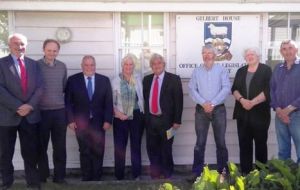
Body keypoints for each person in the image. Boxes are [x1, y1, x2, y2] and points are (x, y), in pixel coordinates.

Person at [0, 33, 43, 189]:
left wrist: (29, 106)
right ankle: (6, 182)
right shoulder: (1, 64)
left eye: (23, 44)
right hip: (7, 116)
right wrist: (18, 106)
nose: (20, 47)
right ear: (10, 45)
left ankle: (32, 182)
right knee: (6, 152)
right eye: (16, 44)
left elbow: (40, 87)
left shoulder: (34, 64)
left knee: (31, 152)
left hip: (30, 116)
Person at [65, 55, 113, 181]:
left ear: (95, 66)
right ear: (82, 66)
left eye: (92, 65)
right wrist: (70, 120)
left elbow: (108, 102)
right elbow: (68, 102)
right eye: (86, 65)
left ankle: (97, 177)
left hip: (99, 122)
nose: (89, 67)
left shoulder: (104, 80)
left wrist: (108, 120)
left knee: (98, 150)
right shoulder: (73, 80)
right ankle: (86, 177)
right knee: (84, 150)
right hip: (80, 123)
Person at [188, 44, 230, 181]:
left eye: (209, 53)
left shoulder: (221, 70)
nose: (206, 55)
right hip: (201, 110)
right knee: (199, 143)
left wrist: (212, 103)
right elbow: (192, 89)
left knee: (221, 143)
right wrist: (204, 103)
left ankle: (222, 173)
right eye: (204, 53)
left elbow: (226, 88)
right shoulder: (197, 71)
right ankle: (197, 173)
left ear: (214, 55)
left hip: (218, 110)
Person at [232, 47, 272, 174]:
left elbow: (268, 90)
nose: (250, 56)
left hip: (260, 114)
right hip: (242, 114)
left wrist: (252, 103)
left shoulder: (266, 70)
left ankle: (261, 174)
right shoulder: (241, 71)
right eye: (247, 54)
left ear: (258, 56)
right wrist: (243, 100)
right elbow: (234, 89)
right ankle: (246, 173)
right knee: (244, 145)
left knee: (260, 145)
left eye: (252, 54)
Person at [143, 53, 183, 179]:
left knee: (166, 148)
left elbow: (179, 101)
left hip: (168, 122)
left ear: (164, 64)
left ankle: (167, 173)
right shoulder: (147, 79)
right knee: (152, 148)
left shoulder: (174, 79)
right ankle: (155, 173)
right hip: (151, 120)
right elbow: (145, 99)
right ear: (151, 66)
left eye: (159, 63)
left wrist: (177, 120)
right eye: (154, 64)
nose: (157, 66)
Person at [37, 39, 67, 183]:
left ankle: (59, 177)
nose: (52, 53)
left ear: (58, 51)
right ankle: (43, 176)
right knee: (42, 146)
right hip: (41, 112)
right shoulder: (36, 66)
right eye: (49, 50)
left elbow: (63, 88)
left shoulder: (62, 66)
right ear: (43, 50)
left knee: (60, 147)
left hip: (59, 112)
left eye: (55, 50)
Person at [111, 54, 144, 180]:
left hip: (136, 116)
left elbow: (142, 97)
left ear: (134, 66)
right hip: (120, 117)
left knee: (136, 145)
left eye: (131, 64)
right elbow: (111, 102)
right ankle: (119, 175)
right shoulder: (115, 80)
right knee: (120, 147)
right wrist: (118, 114)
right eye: (126, 64)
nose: (128, 67)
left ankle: (136, 174)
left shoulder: (138, 78)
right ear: (122, 65)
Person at [270, 40, 300, 163]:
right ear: (281, 52)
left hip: (297, 114)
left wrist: (288, 109)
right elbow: (272, 89)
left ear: (296, 50)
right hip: (280, 115)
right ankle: (284, 178)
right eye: (284, 49)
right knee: (283, 150)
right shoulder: (278, 68)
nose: (287, 51)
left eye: (290, 48)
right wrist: (278, 109)